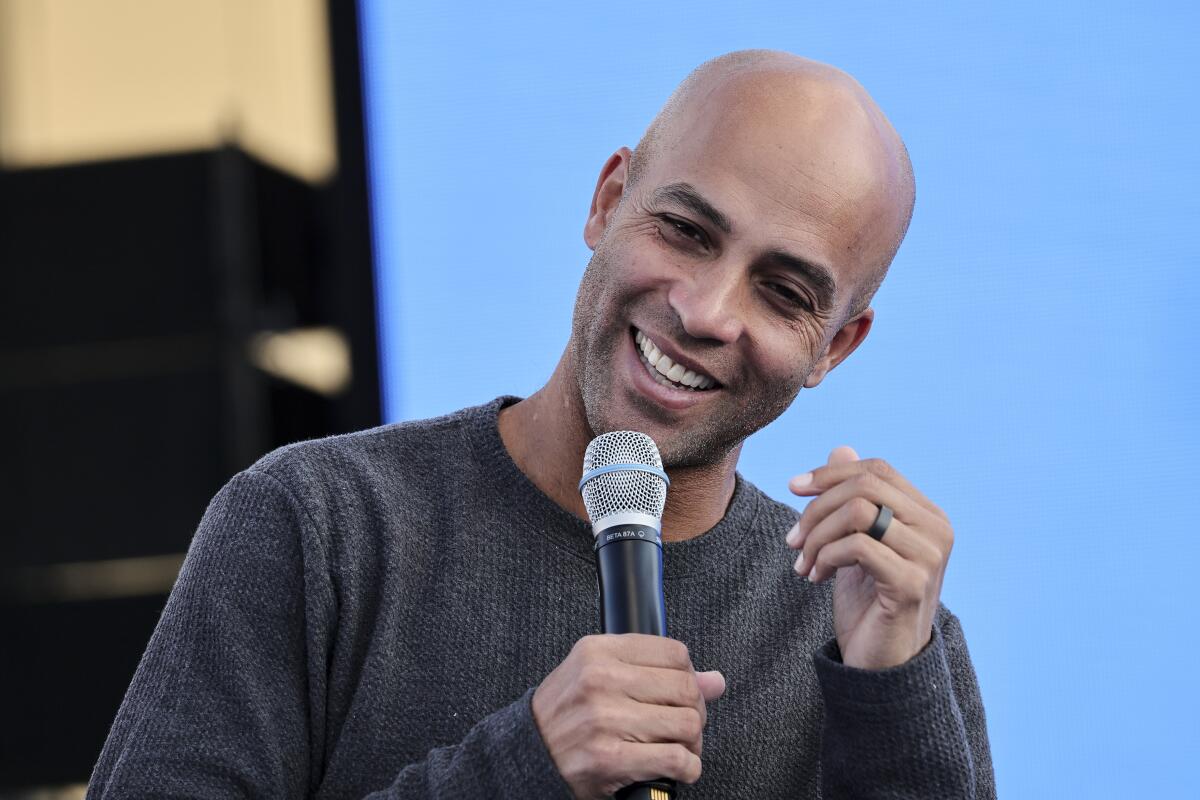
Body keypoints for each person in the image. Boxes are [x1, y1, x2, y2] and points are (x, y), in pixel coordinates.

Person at [89, 50, 994, 799]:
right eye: (685, 230)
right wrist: (522, 766)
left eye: (784, 292)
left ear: (835, 347)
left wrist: (891, 705)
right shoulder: (316, 523)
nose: (708, 309)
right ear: (607, 202)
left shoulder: (873, 627)